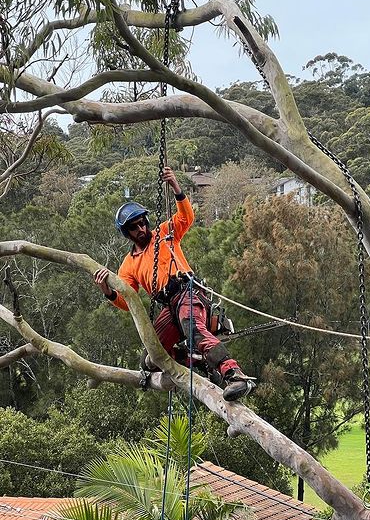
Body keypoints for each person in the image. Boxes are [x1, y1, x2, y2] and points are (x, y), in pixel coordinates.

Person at [93, 166, 254, 401]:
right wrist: (107, 292)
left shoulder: (164, 233)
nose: (141, 229)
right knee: (151, 357)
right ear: (126, 233)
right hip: (169, 305)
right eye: (134, 227)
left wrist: (176, 187)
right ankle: (197, 360)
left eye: (142, 223)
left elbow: (186, 217)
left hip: (187, 291)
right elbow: (128, 301)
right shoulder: (129, 264)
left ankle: (234, 375)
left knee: (193, 328)